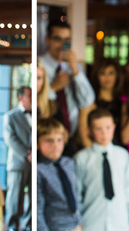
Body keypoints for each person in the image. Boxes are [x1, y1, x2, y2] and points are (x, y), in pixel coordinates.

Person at [74, 108, 129, 231]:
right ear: (89, 131)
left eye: (108, 127)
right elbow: (77, 192)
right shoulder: (82, 158)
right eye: (98, 128)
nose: (104, 133)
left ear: (114, 127)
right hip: (91, 226)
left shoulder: (122, 155)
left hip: (119, 226)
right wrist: (77, 220)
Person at [36, 119, 85, 231]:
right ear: (37, 143)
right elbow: (37, 206)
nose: (55, 145)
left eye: (59, 140)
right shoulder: (38, 170)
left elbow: (76, 193)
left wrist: (78, 222)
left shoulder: (69, 163)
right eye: (48, 141)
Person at [39, 20, 96, 157]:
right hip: (46, 140)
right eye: (58, 39)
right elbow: (35, 103)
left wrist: (75, 70)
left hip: (73, 139)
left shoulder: (73, 66)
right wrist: (52, 87)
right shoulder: (39, 65)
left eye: (67, 40)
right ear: (47, 39)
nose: (62, 46)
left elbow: (87, 101)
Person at [3, 87, 33, 231]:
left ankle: (28, 223)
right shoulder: (10, 116)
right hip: (18, 162)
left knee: (33, 195)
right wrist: (28, 154)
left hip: (36, 162)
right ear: (21, 98)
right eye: (30, 95)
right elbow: (10, 139)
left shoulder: (38, 113)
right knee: (15, 195)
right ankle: (12, 224)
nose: (33, 98)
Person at [79, 58, 125, 148]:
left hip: (118, 150)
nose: (107, 77)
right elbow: (83, 133)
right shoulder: (90, 101)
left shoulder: (122, 101)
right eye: (102, 73)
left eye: (111, 73)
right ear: (97, 76)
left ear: (117, 76)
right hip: (95, 151)